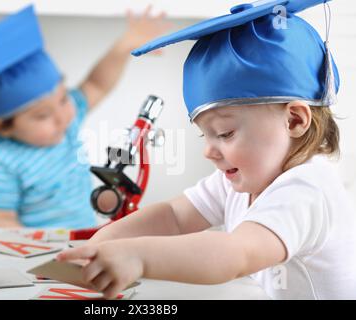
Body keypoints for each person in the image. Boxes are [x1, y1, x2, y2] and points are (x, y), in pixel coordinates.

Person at [57, 0, 356, 299]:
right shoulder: (243, 181)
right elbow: (174, 216)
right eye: (205, 135)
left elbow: (234, 254)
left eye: (225, 134)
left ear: (294, 120)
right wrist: (103, 243)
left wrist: (139, 257)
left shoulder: (306, 190)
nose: (209, 151)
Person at [0, 5, 171, 229]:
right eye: (42, 116)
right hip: (38, 254)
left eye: (63, 99)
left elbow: (97, 84)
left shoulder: (66, 126)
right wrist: (33, 250)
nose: (62, 117)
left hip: (83, 239)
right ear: (2, 125)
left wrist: (124, 45)